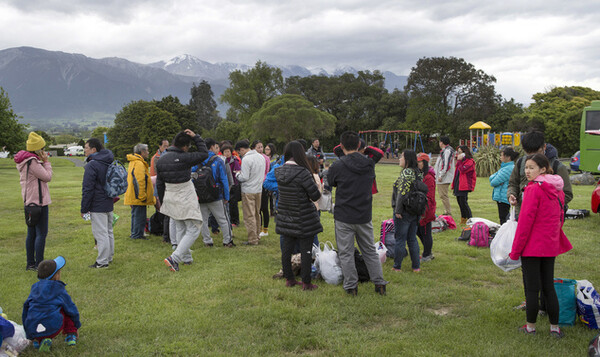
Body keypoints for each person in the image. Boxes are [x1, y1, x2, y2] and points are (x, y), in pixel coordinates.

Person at [509, 153, 572, 338]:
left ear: (543, 169)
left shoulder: (534, 189)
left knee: (532, 288)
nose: (527, 171)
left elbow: (524, 223)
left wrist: (515, 251)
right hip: (549, 245)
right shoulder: (556, 188)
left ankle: (530, 327)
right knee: (548, 287)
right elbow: (560, 217)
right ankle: (554, 328)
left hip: (532, 246)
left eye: (531, 168)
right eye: (526, 168)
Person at [327, 131, 388, 296]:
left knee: (346, 253)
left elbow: (330, 182)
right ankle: (379, 283)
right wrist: (365, 149)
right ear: (359, 145)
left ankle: (351, 286)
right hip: (363, 214)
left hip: (344, 215)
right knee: (369, 250)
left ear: (341, 146)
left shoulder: (338, 165)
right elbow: (377, 153)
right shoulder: (369, 163)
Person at [157, 129, 208, 272]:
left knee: (180, 226)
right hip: (184, 193)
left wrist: (162, 201)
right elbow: (204, 154)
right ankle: (175, 258)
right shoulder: (186, 157)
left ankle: (186, 259)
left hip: (169, 194)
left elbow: (160, 184)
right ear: (185, 146)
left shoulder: (161, 159)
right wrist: (196, 137)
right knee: (194, 227)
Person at [275, 141, 322, 290]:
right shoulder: (303, 173)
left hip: (285, 215)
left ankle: (289, 279)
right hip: (304, 218)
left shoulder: (279, 171)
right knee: (306, 251)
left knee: (286, 251)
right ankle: (306, 282)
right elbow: (315, 196)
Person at [22, 256, 81, 352]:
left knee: (37, 312)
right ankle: (71, 335)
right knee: (65, 309)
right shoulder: (59, 289)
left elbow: (26, 310)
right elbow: (71, 309)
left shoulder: (34, 289)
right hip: (53, 328)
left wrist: (29, 334)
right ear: (57, 276)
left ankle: (38, 340)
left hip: (33, 328)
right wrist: (76, 326)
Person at [507, 131, 573, 214]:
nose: (533, 157)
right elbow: (513, 184)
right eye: (529, 154)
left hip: (546, 217)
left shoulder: (557, 167)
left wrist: (545, 204)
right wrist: (511, 195)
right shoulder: (520, 162)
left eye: (537, 153)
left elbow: (567, 194)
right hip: (521, 212)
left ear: (544, 147)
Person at [14, 132, 53, 271]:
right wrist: (47, 163)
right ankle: (39, 265)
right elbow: (47, 177)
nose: (44, 151)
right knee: (41, 233)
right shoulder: (33, 162)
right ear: (37, 149)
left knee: (31, 234)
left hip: (29, 202)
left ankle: (30, 263)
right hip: (39, 202)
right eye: (42, 148)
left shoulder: (24, 161)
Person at [194, 138, 235, 248]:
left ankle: (207, 241)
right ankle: (227, 241)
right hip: (215, 195)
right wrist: (226, 196)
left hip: (201, 195)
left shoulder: (197, 160)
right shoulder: (217, 161)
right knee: (223, 219)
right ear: (212, 147)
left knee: (203, 220)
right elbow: (224, 180)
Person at [81, 138, 115, 269]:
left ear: (94, 150)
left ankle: (102, 261)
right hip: (108, 201)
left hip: (97, 203)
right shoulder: (108, 161)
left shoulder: (92, 165)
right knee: (108, 231)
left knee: (100, 233)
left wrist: (84, 208)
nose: (84, 150)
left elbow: (88, 188)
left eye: (86, 148)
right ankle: (109, 256)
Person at [391, 149, 422, 272]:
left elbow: (402, 194)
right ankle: (416, 267)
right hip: (415, 210)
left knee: (400, 239)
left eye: (401, 157)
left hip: (404, 211)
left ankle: (397, 266)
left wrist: (398, 210)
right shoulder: (418, 172)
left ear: (407, 160)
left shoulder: (406, 173)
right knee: (412, 239)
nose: (399, 159)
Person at [234, 139, 266, 246]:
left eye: (239, 152)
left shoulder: (246, 159)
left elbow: (244, 177)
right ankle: (257, 235)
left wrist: (237, 174)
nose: (240, 154)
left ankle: (252, 239)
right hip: (258, 189)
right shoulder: (261, 157)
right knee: (257, 214)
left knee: (249, 216)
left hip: (248, 190)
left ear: (242, 149)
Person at [124, 143, 156, 239]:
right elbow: (139, 181)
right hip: (138, 195)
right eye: (147, 150)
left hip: (135, 194)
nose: (148, 152)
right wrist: (142, 195)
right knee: (139, 216)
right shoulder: (139, 163)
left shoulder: (135, 161)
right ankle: (137, 235)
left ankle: (136, 233)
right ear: (142, 152)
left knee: (136, 214)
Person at [489, 147, 518, 225]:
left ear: (508, 157)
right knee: (504, 217)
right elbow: (492, 177)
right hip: (503, 196)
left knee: (503, 218)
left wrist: (494, 179)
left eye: (502, 155)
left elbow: (493, 182)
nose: (500, 157)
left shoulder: (507, 169)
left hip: (503, 197)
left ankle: (504, 234)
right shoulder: (505, 167)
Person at [417, 153, 436, 262]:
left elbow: (429, 196)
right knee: (418, 231)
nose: (418, 164)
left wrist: (424, 209)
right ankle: (427, 251)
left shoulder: (428, 177)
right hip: (421, 207)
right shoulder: (421, 175)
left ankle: (427, 254)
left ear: (424, 163)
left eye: (419, 162)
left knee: (425, 232)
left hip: (426, 208)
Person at [252, 140, 272, 237]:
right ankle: (258, 228)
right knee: (257, 209)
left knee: (264, 208)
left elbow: (267, 171)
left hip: (263, 184)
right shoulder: (252, 158)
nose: (260, 149)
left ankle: (265, 229)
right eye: (258, 147)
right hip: (255, 185)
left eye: (261, 147)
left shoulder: (266, 158)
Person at [452, 145, 476, 225]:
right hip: (458, 184)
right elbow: (457, 173)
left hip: (464, 185)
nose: (458, 154)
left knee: (464, 202)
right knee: (459, 202)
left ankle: (470, 219)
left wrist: (460, 161)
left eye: (460, 152)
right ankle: (463, 218)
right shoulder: (460, 162)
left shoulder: (470, 161)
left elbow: (463, 170)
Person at [433, 136, 456, 216]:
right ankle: (447, 210)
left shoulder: (447, 151)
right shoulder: (445, 150)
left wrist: (441, 175)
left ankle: (448, 211)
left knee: (443, 195)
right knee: (442, 194)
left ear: (442, 142)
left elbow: (446, 164)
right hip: (442, 176)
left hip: (444, 177)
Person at [223, 144, 241, 227]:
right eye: (225, 152)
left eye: (228, 151)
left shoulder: (234, 160)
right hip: (226, 184)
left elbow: (238, 170)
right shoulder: (222, 160)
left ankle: (235, 221)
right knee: (227, 203)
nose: (227, 153)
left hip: (234, 184)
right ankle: (228, 220)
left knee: (233, 203)